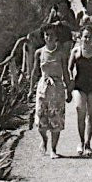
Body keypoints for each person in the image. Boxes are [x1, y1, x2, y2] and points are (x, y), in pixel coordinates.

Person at [35, 23, 73, 158]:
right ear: (43, 37)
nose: (49, 37)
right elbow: (35, 72)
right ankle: (44, 139)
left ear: (57, 37)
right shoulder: (39, 53)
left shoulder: (61, 54)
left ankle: (53, 149)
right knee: (41, 119)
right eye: (47, 35)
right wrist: (29, 91)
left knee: (56, 119)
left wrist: (69, 89)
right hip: (43, 88)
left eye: (52, 35)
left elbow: (66, 73)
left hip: (57, 89)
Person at [69, 25, 92, 156]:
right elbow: (69, 68)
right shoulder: (76, 51)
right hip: (79, 85)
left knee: (91, 115)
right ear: (80, 37)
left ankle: (88, 143)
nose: (87, 39)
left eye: (90, 37)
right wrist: (70, 80)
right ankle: (81, 141)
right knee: (80, 110)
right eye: (85, 36)